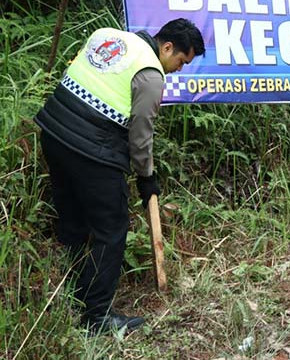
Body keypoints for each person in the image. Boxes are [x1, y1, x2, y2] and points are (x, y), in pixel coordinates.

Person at [35, 19, 205, 335]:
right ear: (167, 47)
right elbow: (141, 136)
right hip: (91, 151)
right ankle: (95, 316)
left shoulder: (106, 35)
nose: (179, 69)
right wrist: (146, 179)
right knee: (111, 230)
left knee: (72, 221)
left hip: (54, 134)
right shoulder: (152, 75)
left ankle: (72, 293)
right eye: (181, 61)